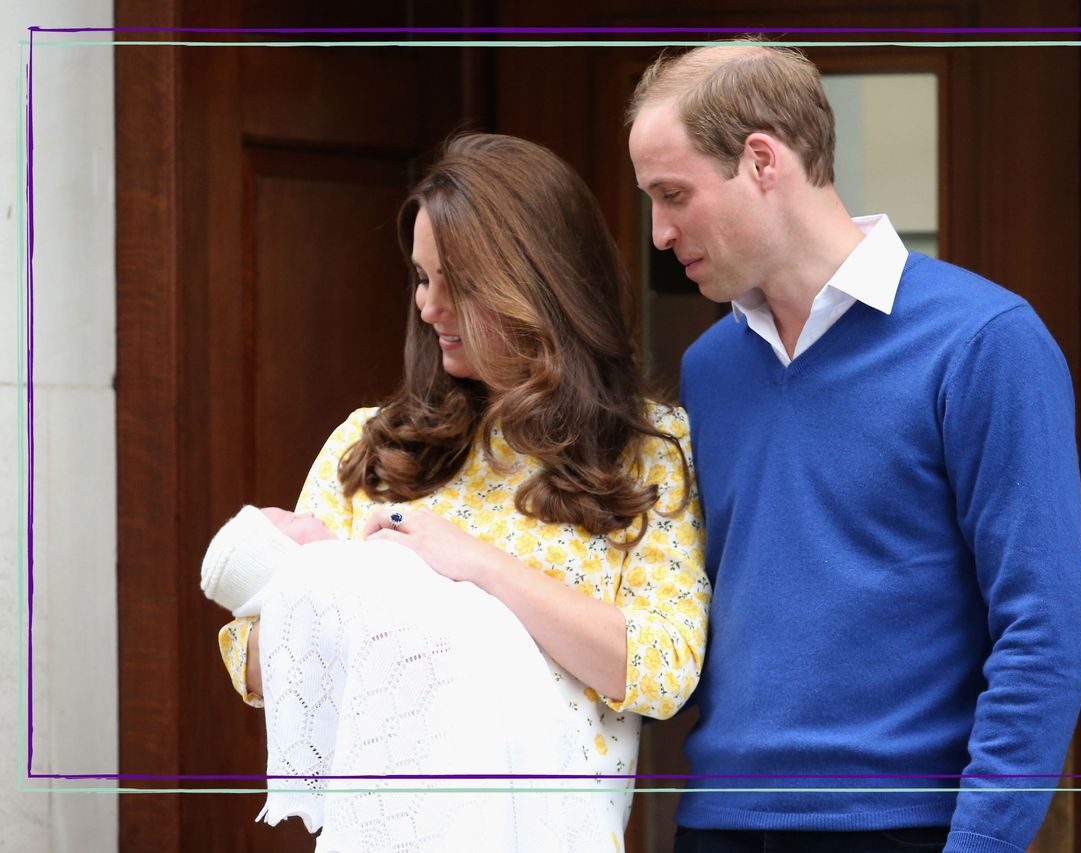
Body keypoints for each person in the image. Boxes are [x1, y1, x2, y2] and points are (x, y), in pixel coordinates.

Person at [626, 40, 1081, 853]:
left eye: (674, 195)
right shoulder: (710, 369)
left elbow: (1045, 628)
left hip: (905, 828)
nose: (661, 233)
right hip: (716, 824)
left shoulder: (984, 342)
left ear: (762, 161)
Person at [215, 133, 711, 852]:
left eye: (460, 283)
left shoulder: (647, 452)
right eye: (421, 277)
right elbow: (252, 660)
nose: (429, 306)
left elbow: (662, 669)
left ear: (542, 282)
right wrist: (348, 585)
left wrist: (475, 566)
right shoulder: (370, 445)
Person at [203, 505, 604, 852]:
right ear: (279, 555)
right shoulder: (318, 576)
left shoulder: (347, 563)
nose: (306, 512)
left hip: (508, 713)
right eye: (291, 520)